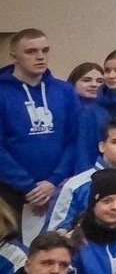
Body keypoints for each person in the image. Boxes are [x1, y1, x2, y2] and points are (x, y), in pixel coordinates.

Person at [0, 28, 76, 236]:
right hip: (10, 191)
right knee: (12, 250)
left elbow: (74, 140)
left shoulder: (64, 91)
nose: (40, 56)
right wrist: (29, 186)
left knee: (53, 249)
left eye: (45, 50)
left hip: (57, 188)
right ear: (13, 57)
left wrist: (53, 181)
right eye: (31, 51)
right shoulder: (3, 93)